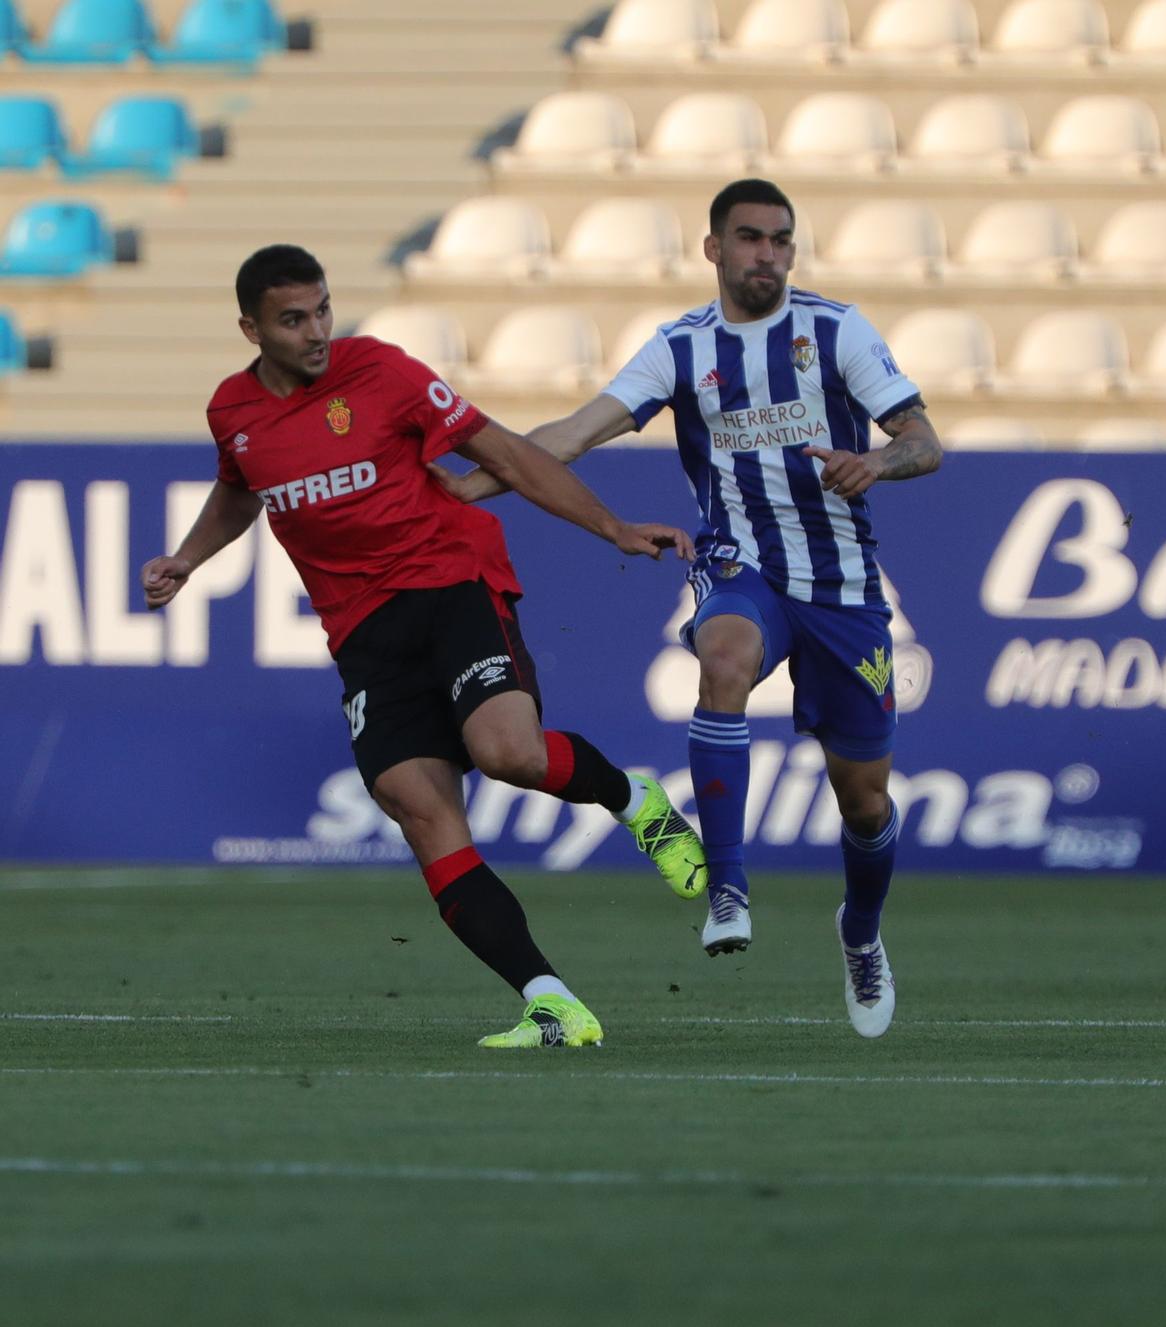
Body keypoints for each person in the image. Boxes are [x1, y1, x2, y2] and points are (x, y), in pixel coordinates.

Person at [141, 244, 708, 1049]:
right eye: (294, 319)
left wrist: (612, 526)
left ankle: (634, 801)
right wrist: (187, 560)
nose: (317, 332)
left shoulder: (381, 373)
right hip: (365, 634)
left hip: (451, 584)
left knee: (507, 749)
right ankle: (549, 1001)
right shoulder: (231, 413)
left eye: (323, 310)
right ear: (250, 329)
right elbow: (242, 488)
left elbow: (505, 452)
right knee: (417, 805)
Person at [435, 179, 942, 1038]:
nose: (768, 255)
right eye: (750, 238)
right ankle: (729, 883)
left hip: (844, 585)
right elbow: (574, 433)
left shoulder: (836, 330)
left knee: (864, 802)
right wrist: (467, 489)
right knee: (724, 657)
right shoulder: (681, 348)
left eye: (782, 240)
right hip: (740, 564)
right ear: (714, 248)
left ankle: (859, 929)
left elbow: (924, 440)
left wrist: (877, 464)